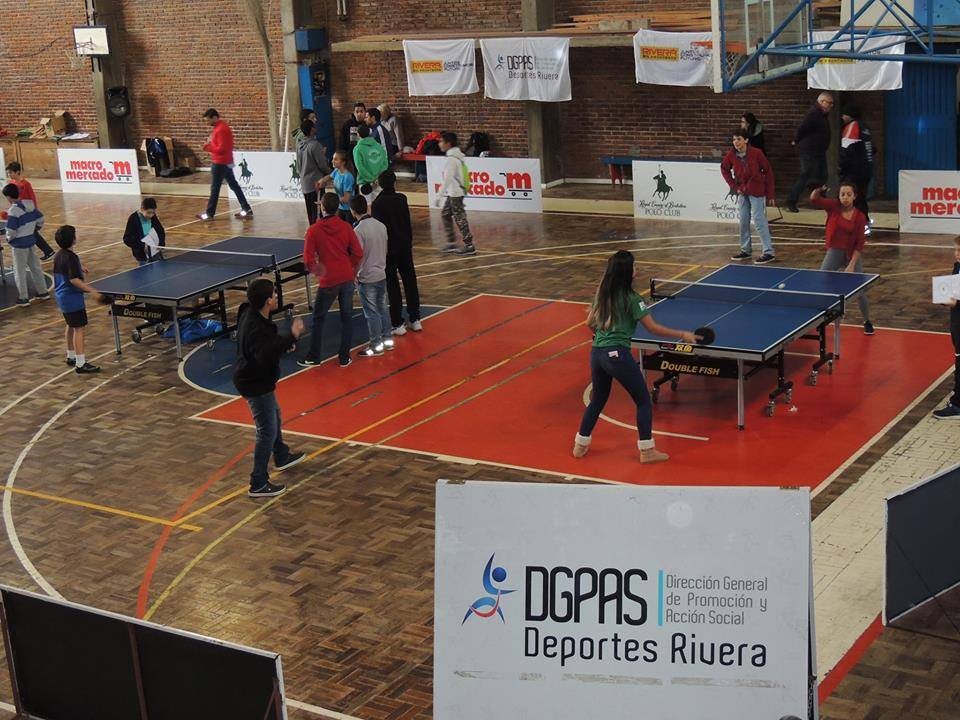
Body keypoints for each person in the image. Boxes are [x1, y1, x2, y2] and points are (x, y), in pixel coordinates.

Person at [573, 250, 699, 464]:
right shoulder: (632, 299)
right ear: (627, 272)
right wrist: (682, 334)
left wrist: (604, 337)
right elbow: (653, 328)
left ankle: (580, 445)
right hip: (617, 356)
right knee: (643, 401)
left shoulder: (602, 295)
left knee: (598, 399)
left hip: (597, 352)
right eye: (634, 266)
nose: (636, 269)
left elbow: (589, 323)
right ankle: (647, 451)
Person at [233, 278, 307, 498]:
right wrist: (291, 335)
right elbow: (264, 352)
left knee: (274, 415)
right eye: (274, 295)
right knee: (266, 430)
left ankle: (281, 455)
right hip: (255, 383)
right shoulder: (255, 327)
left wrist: (283, 345)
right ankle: (258, 482)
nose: (276, 297)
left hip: (259, 379)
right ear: (267, 301)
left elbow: (268, 347)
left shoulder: (252, 314)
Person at [298, 192, 364, 368]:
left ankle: (314, 356)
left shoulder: (313, 230)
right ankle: (344, 357)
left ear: (322, 207)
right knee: (346, 317)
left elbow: (308, 259)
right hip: (346, 277)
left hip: (328, 280)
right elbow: (358, 253)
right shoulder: (346, 227)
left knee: (318, 318)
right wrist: (348, 267)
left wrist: (319, 271)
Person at [809, 183, 873, 335]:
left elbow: (860, 243)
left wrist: (851, 265)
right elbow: (814, 199)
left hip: (852, 254)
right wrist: (820, 190)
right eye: (842, 194)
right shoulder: (833, 207)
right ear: (838, 196)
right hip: (835, 252)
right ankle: (821, 316)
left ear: (854, 196)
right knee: (823, 279)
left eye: (849, 194)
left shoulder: (860, 217)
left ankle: (867, 321)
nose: (845, 198)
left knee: (860, 290)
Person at [372, 170, 422, 335]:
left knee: (392, 285)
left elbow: (379, 230)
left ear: (379, 184)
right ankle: (415, 318)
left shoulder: (378, 204)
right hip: (404, 246)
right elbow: (407, 223)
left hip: (388, 249)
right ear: (394, 183)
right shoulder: (402, 199)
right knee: (410, 281)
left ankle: (397, 323)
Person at [721, 129, 776, 264]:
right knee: (743, 221)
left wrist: (770, 194)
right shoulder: (731, 154)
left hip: (757, 191)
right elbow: (724, 169)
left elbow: (768, 171)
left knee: (759, 220)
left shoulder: (757, 153)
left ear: (746, 140)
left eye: (739, 139)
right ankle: (745, 250)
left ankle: (768, 252)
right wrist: (734, 186)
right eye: (734, 139)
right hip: (742, 192)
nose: (736, 142)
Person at [52, 225, 101, 374]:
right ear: (73, 239)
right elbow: (74, 280)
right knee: (79, 328)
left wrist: (80, 267)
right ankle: (80, 363)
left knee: (70, 324)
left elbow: (67, 268)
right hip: (72, 298)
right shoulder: (72, 257)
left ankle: (71, 355)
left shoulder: (59, 255)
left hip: (61, 297)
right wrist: (92, 291)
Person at [350, 195, 393, 357]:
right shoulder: (381, 225)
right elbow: (386, 249)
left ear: (353, 211)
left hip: (367, 277)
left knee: (371, 312)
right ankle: (388, 340)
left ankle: (376, 345)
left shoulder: (358, 231)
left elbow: (358, 256)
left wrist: (354, 274)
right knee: (382, 307)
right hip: (381, 273)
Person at [196, 108, 253, 221]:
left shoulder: (221, 129)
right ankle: (246, 208)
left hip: (220, 163)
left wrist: (207, 147)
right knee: (234, 186)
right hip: (226, 162)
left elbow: (221, 149)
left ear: (214, 117)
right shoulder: (222, 127)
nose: (207, 123)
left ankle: (209, 213)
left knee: (215, 188)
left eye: (208, 120)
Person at [785, 92, 834, 213]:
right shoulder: (814, 114)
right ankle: (791, 201)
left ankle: (819, 199)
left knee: (822, 175)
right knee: (806, 175)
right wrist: (796, 140)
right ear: (822, 102)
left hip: (818, 151)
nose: (831, 106)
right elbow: (802, 128)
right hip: (810, 151)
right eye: (829, 103)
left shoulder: (821, 115)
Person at [2, 183, 48, 307]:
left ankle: (23, 298)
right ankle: (43, 292)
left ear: (8, 197)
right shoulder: (30, 205)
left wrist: (9, 239)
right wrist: (33, 230)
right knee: (35, 267)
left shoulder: (13, 211)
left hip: (19, 245)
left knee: (19, 271)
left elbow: (11, 231)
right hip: (30, 241)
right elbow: (41, 219)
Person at [932, 236, 960, 419]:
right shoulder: (957, 266)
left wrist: (953, 302)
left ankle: (957, 405)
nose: (957, 254)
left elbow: (955, 301)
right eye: (956, 250)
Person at [2, 162, 55, 260]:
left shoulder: (26, 184)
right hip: (19, 214)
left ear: (17, 172)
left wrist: (34, 213)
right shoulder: (11, 184)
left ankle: (48, 251)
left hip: (28, 213)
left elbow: (32, 199)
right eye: (8, 173)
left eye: (11, 172)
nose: (9, 175)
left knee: (32, 233)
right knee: (31, 233)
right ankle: (48, 251)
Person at [436, 132, 476, 256]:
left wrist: (438, 196)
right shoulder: (455, 156)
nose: (439, 144)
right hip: (455, 192)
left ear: (448, 144)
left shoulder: (452, 159)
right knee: (446, 214)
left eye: (441, 141)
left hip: (455, 192)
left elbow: (447, 179)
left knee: (460, 218)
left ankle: (469, 245)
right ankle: (452, 242)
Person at [839, 106, 872, 230]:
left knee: (849, 198)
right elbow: (872, 149)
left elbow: (846, 150)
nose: (842, 117)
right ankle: (864, 224)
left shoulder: (852, 127)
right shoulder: (865, 127)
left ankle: (852, 225)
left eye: (844, 114)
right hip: (866, 169)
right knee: (860, 198)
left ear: (849, 115)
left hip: (854, 171)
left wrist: (842, 168)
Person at [296, 119, 331, 225]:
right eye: (314, 127)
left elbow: (299, 164)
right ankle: (318, 232)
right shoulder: (315, 145)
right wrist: (330, 173)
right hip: (315, 183)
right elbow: (322, 164)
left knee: (310, 212)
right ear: (312, 130)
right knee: (318, 213)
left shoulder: (299, 144)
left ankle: (313, 231)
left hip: (305, 183)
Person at [122, 197, 166, 265]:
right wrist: (142, 245)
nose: (151, 215)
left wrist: (161, 243)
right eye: (149, 212)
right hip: (142, 256)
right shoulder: (133, 219)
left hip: (155, 252)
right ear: (142, 209)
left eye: (153, 212)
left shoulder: (153, 217)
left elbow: (160, 230)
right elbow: (127, 239)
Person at [318, 151, 355, 223]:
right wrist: (321, 181)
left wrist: (329, 202)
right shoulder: (337, 171)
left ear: (343, 162)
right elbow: (329, 177)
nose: (332, 161)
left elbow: (346, 199)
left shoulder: (347, 177)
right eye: (333, 159)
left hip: (348, 210)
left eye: (335, 159)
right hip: (340, 207)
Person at [353, 125, 388, 200]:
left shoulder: (357, 148)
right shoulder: (379, 146)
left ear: (358, 134)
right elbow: (385, 163)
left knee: (365, 205)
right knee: (378, 204)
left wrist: (371, 179)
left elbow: (360, 167)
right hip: (378, 182)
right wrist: (378, 178)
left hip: (364, 182)